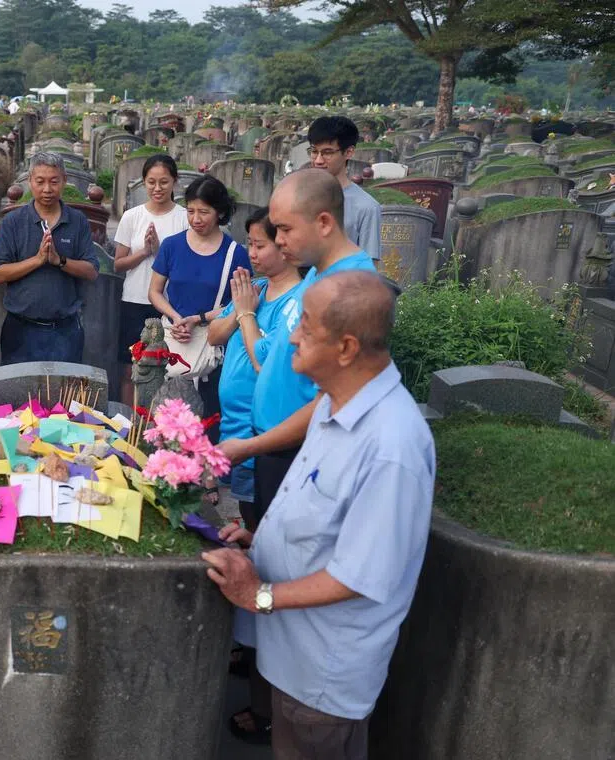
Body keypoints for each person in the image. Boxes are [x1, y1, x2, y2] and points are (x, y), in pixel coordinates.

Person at [204, 270, 435, 760]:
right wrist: (261, 542)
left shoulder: (392, 445)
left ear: (346, 348)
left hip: (321, 675)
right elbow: (326, 516)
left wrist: (258, 595)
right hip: (291, 656)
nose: (291, 337)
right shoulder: (336, 404)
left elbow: (361, 575)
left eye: (305, 327)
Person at [218, 168, 377, 743]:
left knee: (292, 586)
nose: (277, 241)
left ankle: (282, 709)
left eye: (283, 230)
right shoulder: (319, 277)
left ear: (324, 222)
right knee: (269, 555)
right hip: (276, 448)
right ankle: (274, 698)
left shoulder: (350, 288)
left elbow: (328, 400)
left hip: (291, 450)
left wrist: (252, 444)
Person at [207, 207, 301, 522]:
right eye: (249, 244)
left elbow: (263, 360)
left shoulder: (295, 301)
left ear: (284, 246)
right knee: (245, 511)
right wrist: (240, 309)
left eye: (260, 245)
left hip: (260, 430)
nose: (252, 253)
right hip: (232, 424)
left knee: (258, 514)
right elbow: (214, 335)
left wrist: (246, 314)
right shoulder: (254, 288)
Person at [148, 174, 250, 424]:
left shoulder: (235, 254)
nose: (195, 219)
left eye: (204, 212)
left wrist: (198, 319)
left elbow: (240, 303)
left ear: (220, 212)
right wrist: (177, 318)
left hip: (212, 345)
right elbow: (155, 291)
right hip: (172, 338)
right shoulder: (172, 246)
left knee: (204, 421)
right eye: (191, 211)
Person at [0, 152, 99, 364]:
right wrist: (37, 260)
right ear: (30, 181)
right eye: (40, 182)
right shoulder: (13, 222)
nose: (47, 189)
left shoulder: (77, 221)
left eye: (54, 181)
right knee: (19, 385)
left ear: (64, 180)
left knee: (66, 385)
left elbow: (92, 271)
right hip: (20, 328)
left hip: (66, 328)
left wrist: (60, 261)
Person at [113, 153, 189, 406]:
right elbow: (118, 263)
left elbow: (186, 267)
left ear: (175, 182)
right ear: (143, 182)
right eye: (151, 182)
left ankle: (162, 420)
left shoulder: (184, 218)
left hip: (169, 304)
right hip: (134, 299)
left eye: (164, 182)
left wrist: (159, 252)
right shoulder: (132, 216)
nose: (157, 188)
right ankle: (128, 419)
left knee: (167, 367)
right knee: (130, 367)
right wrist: (145, 252)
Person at [305, 116, 382, 263]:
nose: (318, 160)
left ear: (348, 152)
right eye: (314, 151)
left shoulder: (367, 207)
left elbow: (368, 268)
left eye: (327, 153)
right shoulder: (298, 196)